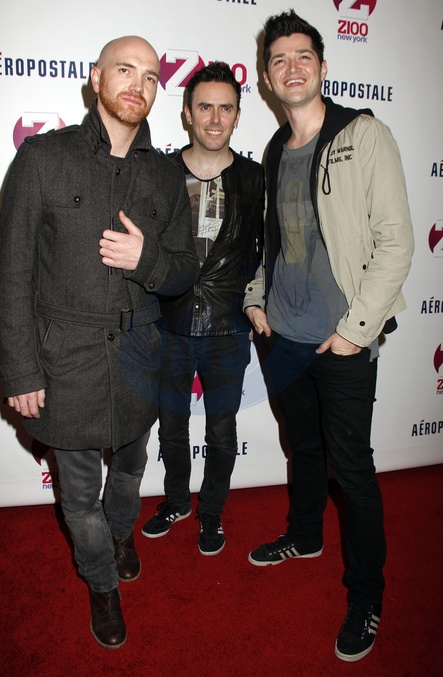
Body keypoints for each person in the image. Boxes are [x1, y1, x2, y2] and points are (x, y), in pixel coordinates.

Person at [0, 36, 199, 649]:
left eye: (150, 76)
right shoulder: (41, 158)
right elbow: (12, 272)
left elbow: (184, 270)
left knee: (131, 471)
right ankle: (101, 581)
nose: (137, 84)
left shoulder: (165, 174)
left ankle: (121, 534)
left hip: (140, 360)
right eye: (124, 70)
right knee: (80, 496)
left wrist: (147, 261)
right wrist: (20, 371)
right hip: (65, 364)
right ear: (95, 77)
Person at [243, 11, 414, 663]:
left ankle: (366, 596)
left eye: (302, 56)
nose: (292, 67)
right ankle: (305, 534)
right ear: (267, 77)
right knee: (303, 447)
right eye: (279, 59)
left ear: (322, 65)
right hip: (283, 336)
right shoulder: (273, 150)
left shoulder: (363, 134)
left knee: (354, 469)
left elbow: (396, 244)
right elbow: (271, 241)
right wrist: (256, 296)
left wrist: (353, 332)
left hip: (341, 341)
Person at [141, 63, 264, 555]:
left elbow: (271, 252)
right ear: (187, 114)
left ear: (237, 115)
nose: (215, 119)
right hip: (168, 325)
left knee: (221, 430)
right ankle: (176, 501)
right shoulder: (162, 173)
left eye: (225, 108)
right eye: (205, 107)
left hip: (228, 328)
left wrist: (256, 304)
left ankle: (211, 511)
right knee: (171, 427)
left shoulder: (255, 179)